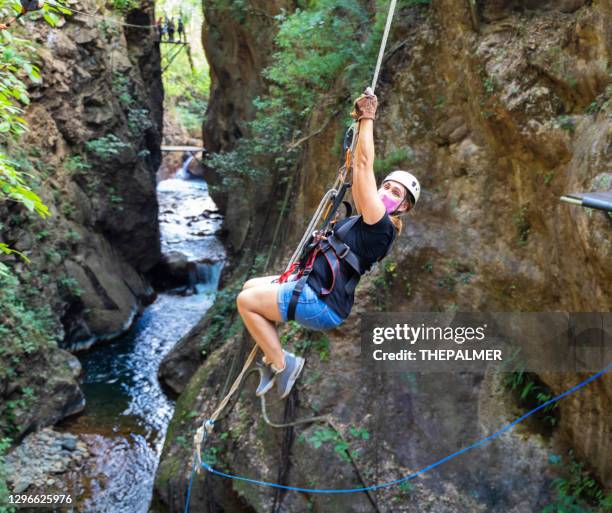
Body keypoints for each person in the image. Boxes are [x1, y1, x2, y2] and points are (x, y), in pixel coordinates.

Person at [236, 88, 421, 399]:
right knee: (248, 287)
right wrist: (360, 127)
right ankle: (272, 354)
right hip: (312, 286)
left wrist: (368, 119)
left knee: (246, 303)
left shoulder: (382, 228)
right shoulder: (365, 220)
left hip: (321, 302)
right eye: (387, 186)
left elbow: (363, 167)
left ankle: (283, 364)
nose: (388, 192)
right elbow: (357, 168)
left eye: (396, 193)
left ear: (402, 207)